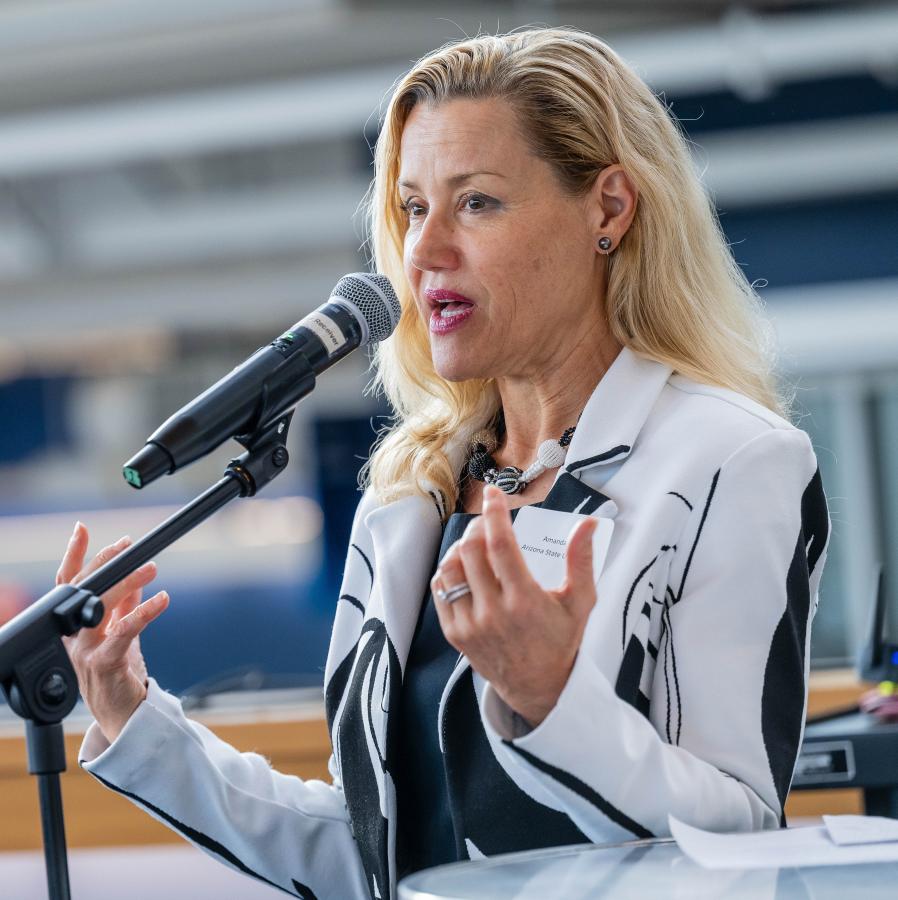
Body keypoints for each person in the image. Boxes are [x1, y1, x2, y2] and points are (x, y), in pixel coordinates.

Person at [61, 28, 830, 900]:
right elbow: (374, 853)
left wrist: (553, 701)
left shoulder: (731, 460)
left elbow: (738, 832)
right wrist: (134, 717)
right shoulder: (410, 491)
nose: (423, 252)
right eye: (413, 208)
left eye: (477, 203)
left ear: (609, 209)